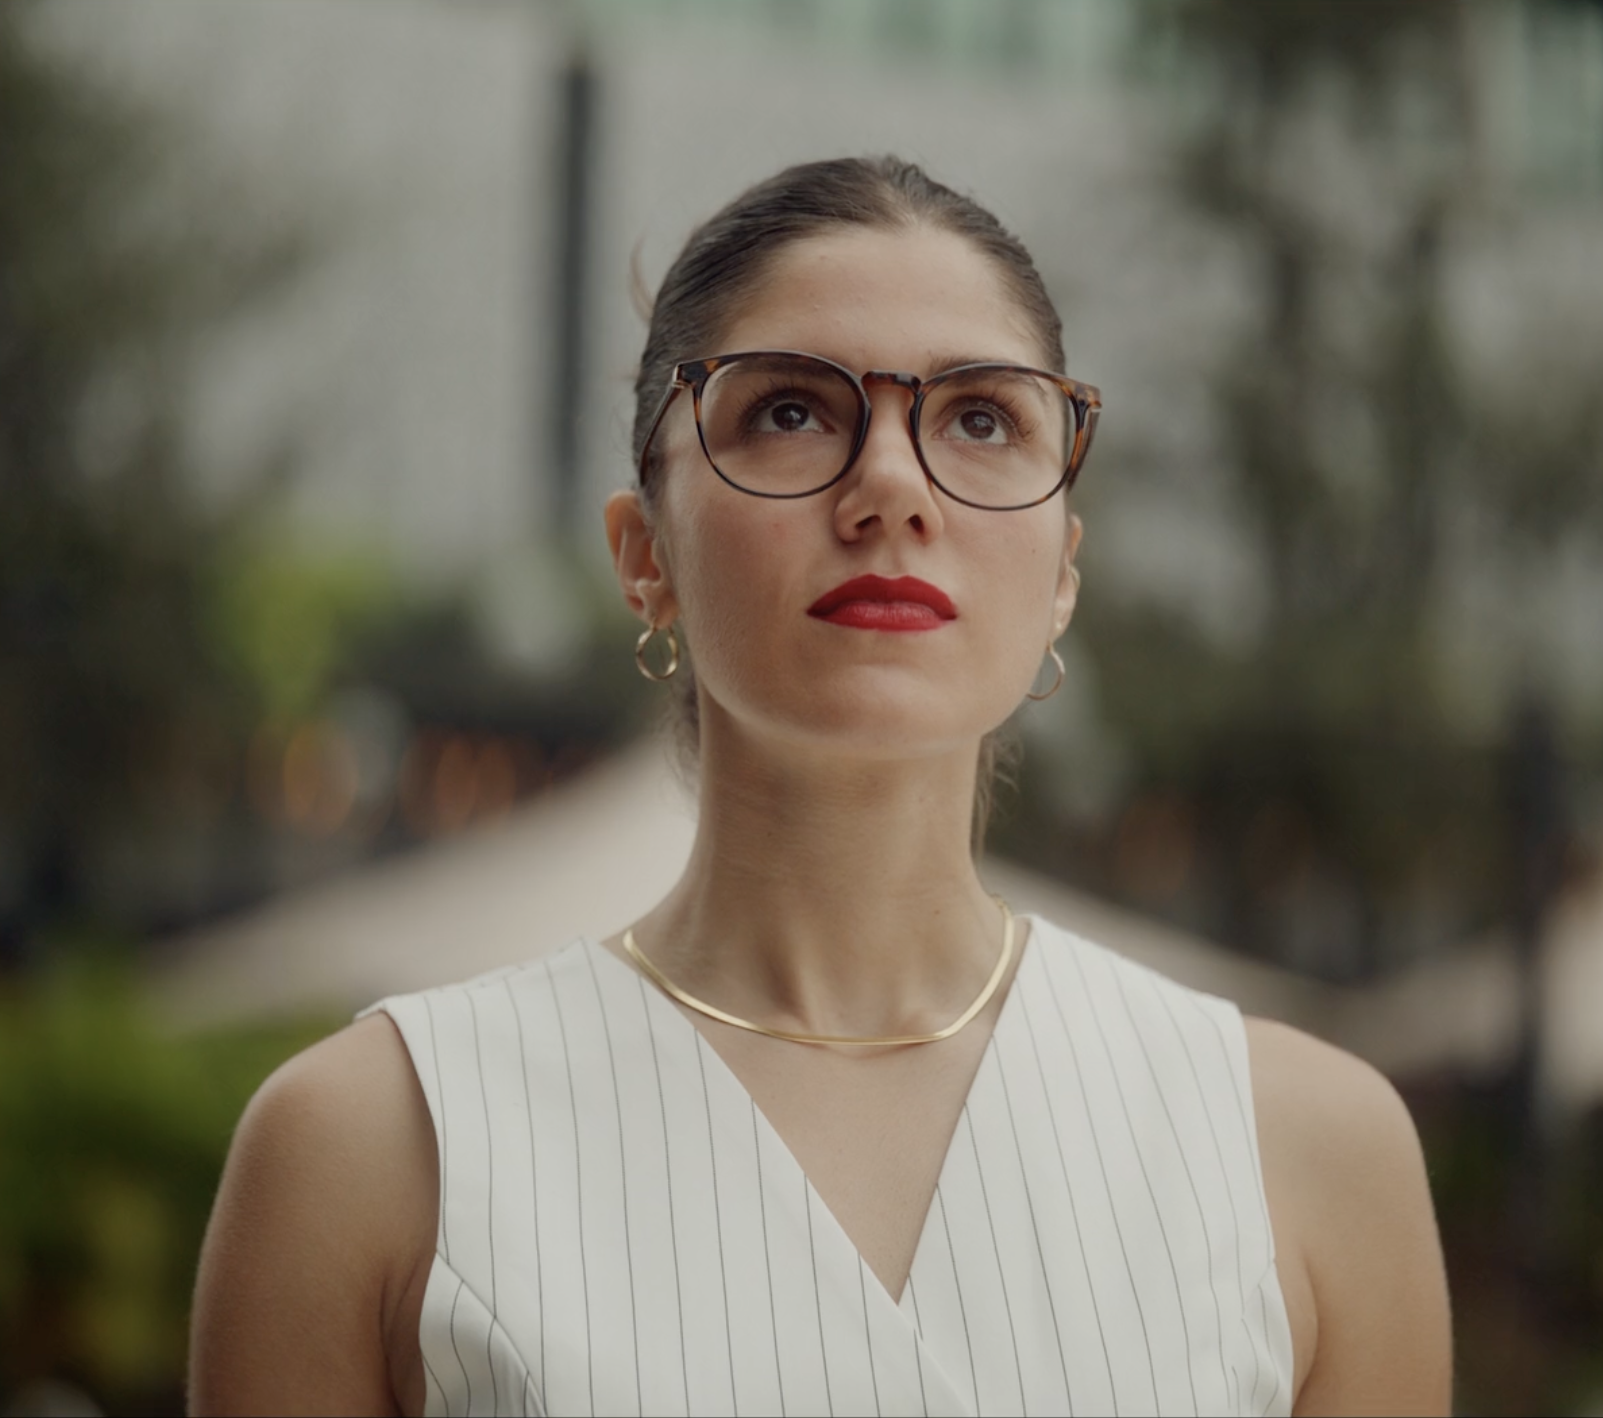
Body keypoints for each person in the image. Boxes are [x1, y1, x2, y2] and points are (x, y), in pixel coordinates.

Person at [190, 156, 1449, 1416]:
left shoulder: (1307, 1150)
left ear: (1061, 568)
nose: (890, 488)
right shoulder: (368, 1143)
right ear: (645, 556)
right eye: (790, 411)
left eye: (978, 417)